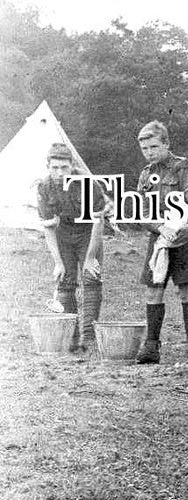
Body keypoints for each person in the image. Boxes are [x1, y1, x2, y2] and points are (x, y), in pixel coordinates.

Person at [133, 121, 188, 364]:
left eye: (154, 146)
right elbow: (143, 211)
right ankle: (151, 347)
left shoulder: (183, 169)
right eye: (145, 148)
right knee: (154, 289)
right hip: (159, 240)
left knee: (186, 289)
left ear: (166, 143)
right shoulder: (146, 175)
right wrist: (159, 227)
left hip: (184, 238)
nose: (150, 152)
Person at [36, 143, 108, 352]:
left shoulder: (88, 183)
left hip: (88, 232)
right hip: (64, 232)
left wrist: (91, 257)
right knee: (65, 280)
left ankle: (88, 337)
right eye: (55, 167)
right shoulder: (44, 187)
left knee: (91, 277)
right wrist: (58, 262)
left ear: (72, 165)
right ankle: (72, 336)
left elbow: (98, 222)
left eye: (64, 167)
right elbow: (49, 227)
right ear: (48, 166)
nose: (59, 172)